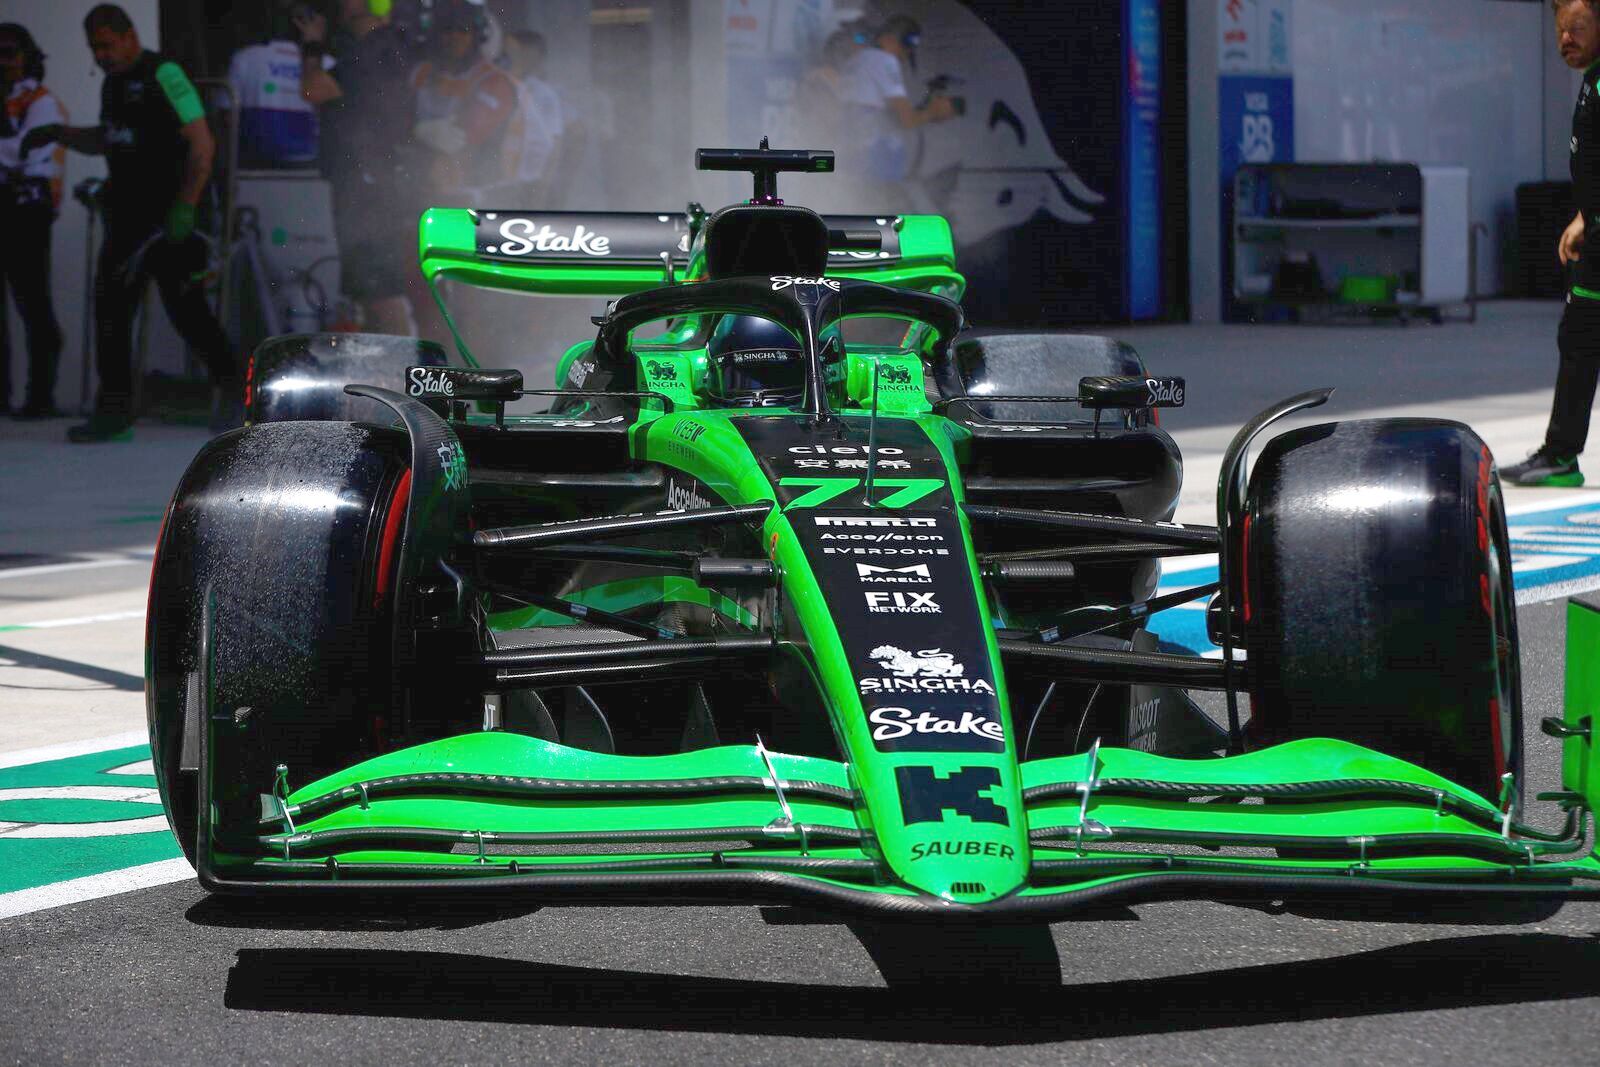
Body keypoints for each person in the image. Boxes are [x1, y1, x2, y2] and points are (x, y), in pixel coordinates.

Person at [23, 4, 238, 442]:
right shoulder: (112, 84)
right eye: (93, 48)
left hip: (171, 216)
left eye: (106, 45)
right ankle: (114, 412)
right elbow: (110, 137)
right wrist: (59, 134)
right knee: (111, 310)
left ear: (128, 36)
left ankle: (241, 393)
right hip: (127, 216)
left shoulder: (167, 74)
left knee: (188, 312)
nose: (100, 55)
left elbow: (202, 142)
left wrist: (187, 206)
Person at [1509, 0, 1600, 485]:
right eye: (1562, 30)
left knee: (1580, 338)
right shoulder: (1593, 80)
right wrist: (1586, 215)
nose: (1567, 40)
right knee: (1580, 338)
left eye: (1578, 29)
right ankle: (1560, 455)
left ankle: (1561, 455)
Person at [296, 0, 419, 336]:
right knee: (370, 292)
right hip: (373, 181)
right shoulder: (390, 47)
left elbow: (312, 88)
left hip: (369, 186)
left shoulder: (373, 51)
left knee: (379, 290)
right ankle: (392, 373)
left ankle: (404, 375)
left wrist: (311, 44)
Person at [0, 23, 66, 419]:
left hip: (27, 210)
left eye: (9, 53)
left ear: (26, 57)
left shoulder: (41, 101)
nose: (3, 62)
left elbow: (29, 155)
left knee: (32, 304)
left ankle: (41, 397)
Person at [834, 15, 957, 199]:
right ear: (892, 39)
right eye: (908, 47)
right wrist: (935, 111)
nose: (906, 56)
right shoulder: (884, 61)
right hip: (876, 172)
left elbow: (877, 114)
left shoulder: (855, 62)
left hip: (854, 164)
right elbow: (907, 120)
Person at [410, 0, 517, 202]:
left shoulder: (493, 80)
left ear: (477, 36)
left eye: (463, 31)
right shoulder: (421, 73)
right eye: (447, 30)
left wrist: (418, 131)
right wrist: (414, 130)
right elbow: (396, 115)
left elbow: (466, 137)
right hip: (422, 184)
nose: (454, 37)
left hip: (477, 188)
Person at [227, 1, 318, 168]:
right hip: (312, 166)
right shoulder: (326, 64)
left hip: (251, 165)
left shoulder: (245, 58)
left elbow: (225, 117)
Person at [499, 30, 563, 204]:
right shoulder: (496, 86)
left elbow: (555, 142)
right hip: (498, 182)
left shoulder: (544, 93)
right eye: (516, 52)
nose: (521, 58)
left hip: (530, 182)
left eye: (528, 53)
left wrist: (544, 184)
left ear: (539, 58)